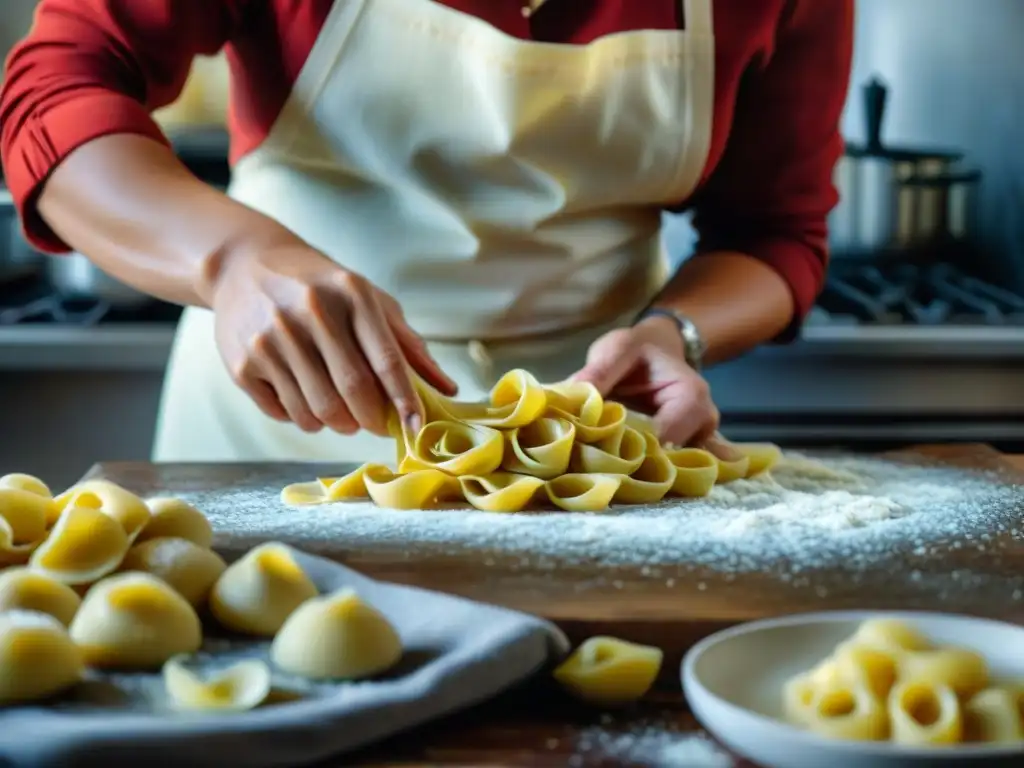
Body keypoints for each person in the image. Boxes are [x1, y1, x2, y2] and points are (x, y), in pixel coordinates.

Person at [0, 0, 853, 465]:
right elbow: (56, 89)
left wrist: (677, 334)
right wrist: (230, 260)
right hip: (273, 429)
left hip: (586, 451)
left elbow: (774, 231)